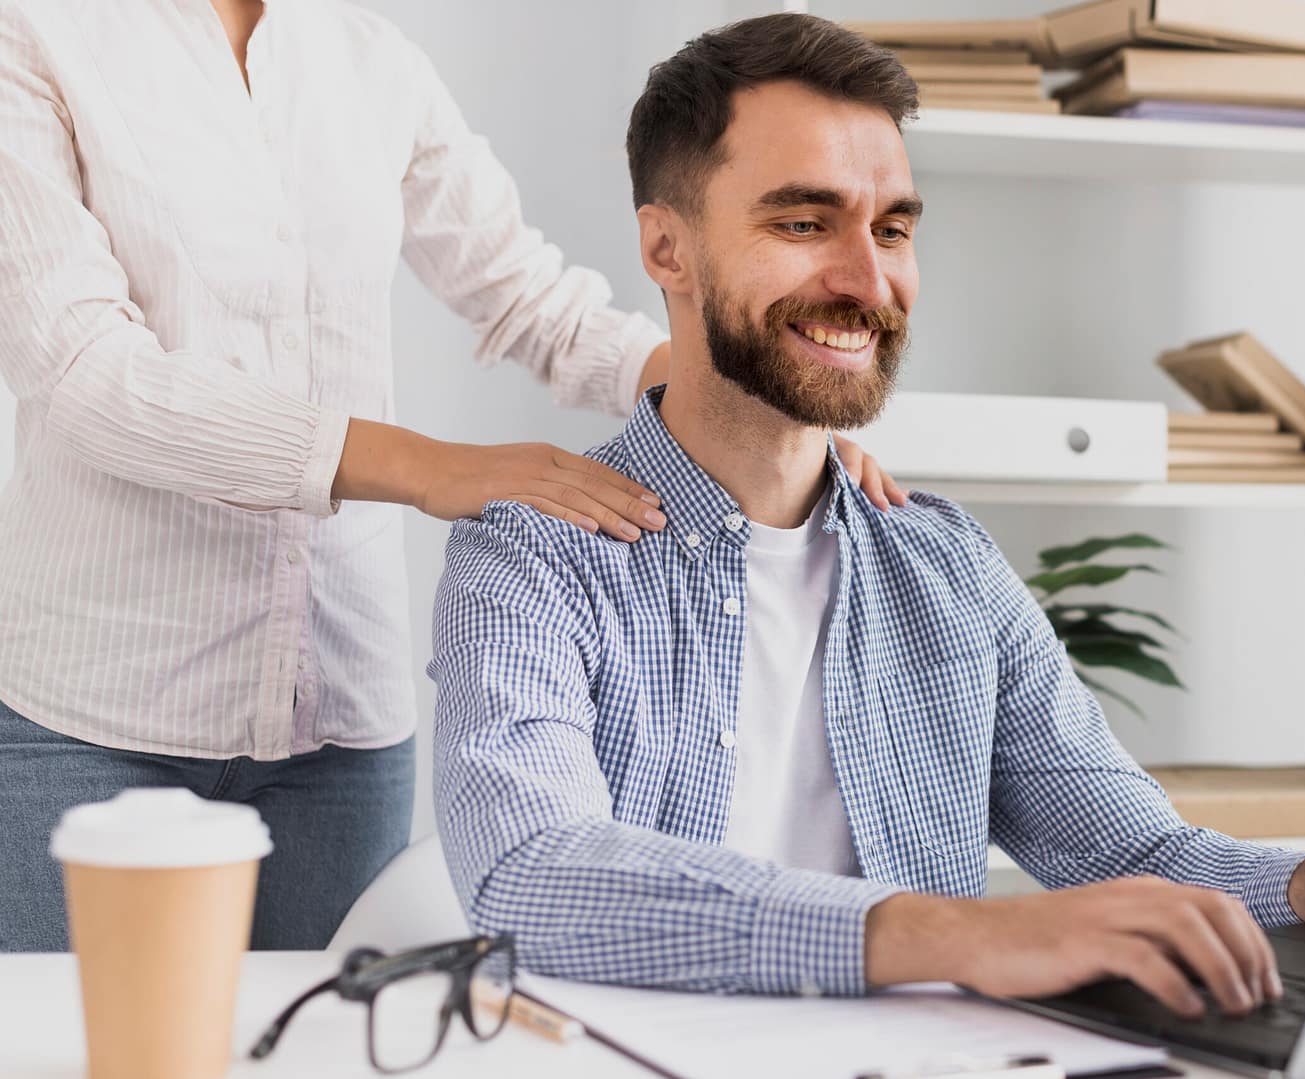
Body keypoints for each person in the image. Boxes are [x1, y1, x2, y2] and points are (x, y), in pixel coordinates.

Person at [429, 13, 1305, 1014]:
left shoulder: (947, 563)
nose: (867, 281)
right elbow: (532, 871)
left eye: (892, 228)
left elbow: (1128, 847)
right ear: (668, 248)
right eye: (803, 224)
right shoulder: (534, 551)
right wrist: (950, 932)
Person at [0, 0, 899, 953]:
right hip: (89, 718)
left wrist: (769, 404)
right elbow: (83, 373)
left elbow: (527, 297)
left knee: (324, 1052)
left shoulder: (368, 59)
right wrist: (431, 469)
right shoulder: (39, 36)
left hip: (338, 726)